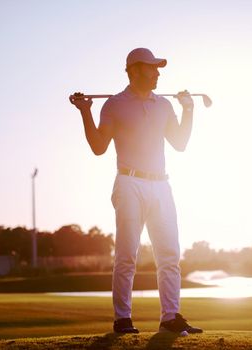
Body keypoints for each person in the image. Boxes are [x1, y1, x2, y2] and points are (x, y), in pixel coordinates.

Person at [70, 48, 202, 336]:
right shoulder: (114, 105)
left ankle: (170, 317)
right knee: (127, 255)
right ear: (134, 70)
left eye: (158, 69)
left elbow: (180, 143)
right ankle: (122, 319)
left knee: (169, 255)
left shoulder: (164, 106)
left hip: (161, 185)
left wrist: (188, 110)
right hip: (129, 182)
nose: (158, 73)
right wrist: (85, 112)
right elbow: (98, 147)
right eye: (152, 68)